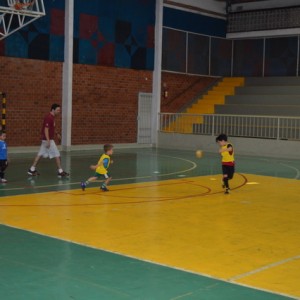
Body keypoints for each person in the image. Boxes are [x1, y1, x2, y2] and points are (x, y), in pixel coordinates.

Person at [27, 103, 69, 177]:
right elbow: (46, 129)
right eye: (58, 110)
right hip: (48, 140)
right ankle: (60, 171)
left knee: (40, 154)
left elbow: (51, 128)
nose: (59, 111)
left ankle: (32, 169)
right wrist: (48, 140)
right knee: (57, 154)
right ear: (53, 110)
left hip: (46, 140)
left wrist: (57, 133)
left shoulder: (52, 117)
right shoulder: (49, 117)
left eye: (59, 110)